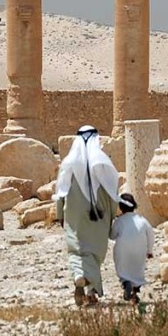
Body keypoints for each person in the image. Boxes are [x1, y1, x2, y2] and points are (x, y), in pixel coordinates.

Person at [54, 124, 120, 306]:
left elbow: (60, 191)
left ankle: (79, 276)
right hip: (100, 215)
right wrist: (112, 215)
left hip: (74, 214)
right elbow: (113, 192)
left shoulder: (69, 162)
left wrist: (60, 214)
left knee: (77, 248)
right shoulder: (104, 162)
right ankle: (91, 291)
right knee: (95, 252)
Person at [111, 193, 155, 304]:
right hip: (139, 250)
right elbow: (151, 234)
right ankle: (135, 293)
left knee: (123, 269)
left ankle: (126, 283)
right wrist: (149, 250)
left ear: (120, 207)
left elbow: (112, 235)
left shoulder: (119, 221)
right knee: (137, 270)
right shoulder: (143, 220)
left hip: (122, 250)